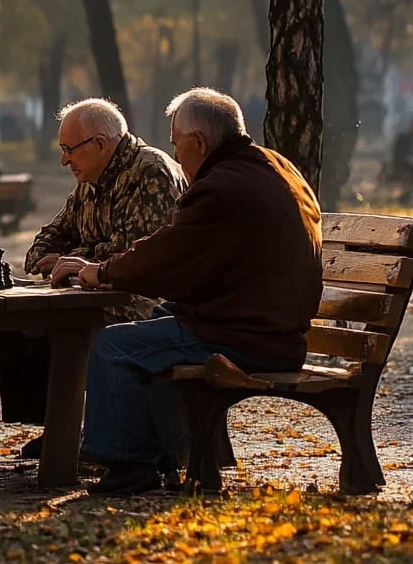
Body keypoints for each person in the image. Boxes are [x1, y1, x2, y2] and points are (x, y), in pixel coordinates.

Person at [51, 88, 323, 495]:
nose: (176, 155)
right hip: (270, 327)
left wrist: (102, 272)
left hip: (246, 336)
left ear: (199, 142)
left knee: (114, 346)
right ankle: (166, 454)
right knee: (157, 324)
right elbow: (185, 254)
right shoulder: (270, 166)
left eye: (178, 144)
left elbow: (168, 254)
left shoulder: (224, 186)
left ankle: (128, 466)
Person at [0, 98, 186, 462]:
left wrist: (78, 259)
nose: (64, 160)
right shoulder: (92, 180)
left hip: (140, 308)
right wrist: (71, 259)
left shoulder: (149, 172)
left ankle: (60, 428)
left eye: (68, 150)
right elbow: (45, 242)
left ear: (101, 144)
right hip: (89, 299)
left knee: (24, 327)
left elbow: (135, 255)